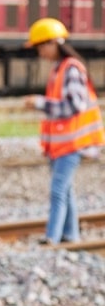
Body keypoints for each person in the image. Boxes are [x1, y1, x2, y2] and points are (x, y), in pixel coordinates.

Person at [23, 17, 104, 245]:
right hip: (61, 144)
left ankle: (53, 237)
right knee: (66, 191)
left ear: (52, 44)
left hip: (73, 143)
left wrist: (40, 102)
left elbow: (73, 106)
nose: (40, 53)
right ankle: (71, 236)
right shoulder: (60, 69)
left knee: (58, 191)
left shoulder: (71, 69)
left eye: (40, 47)